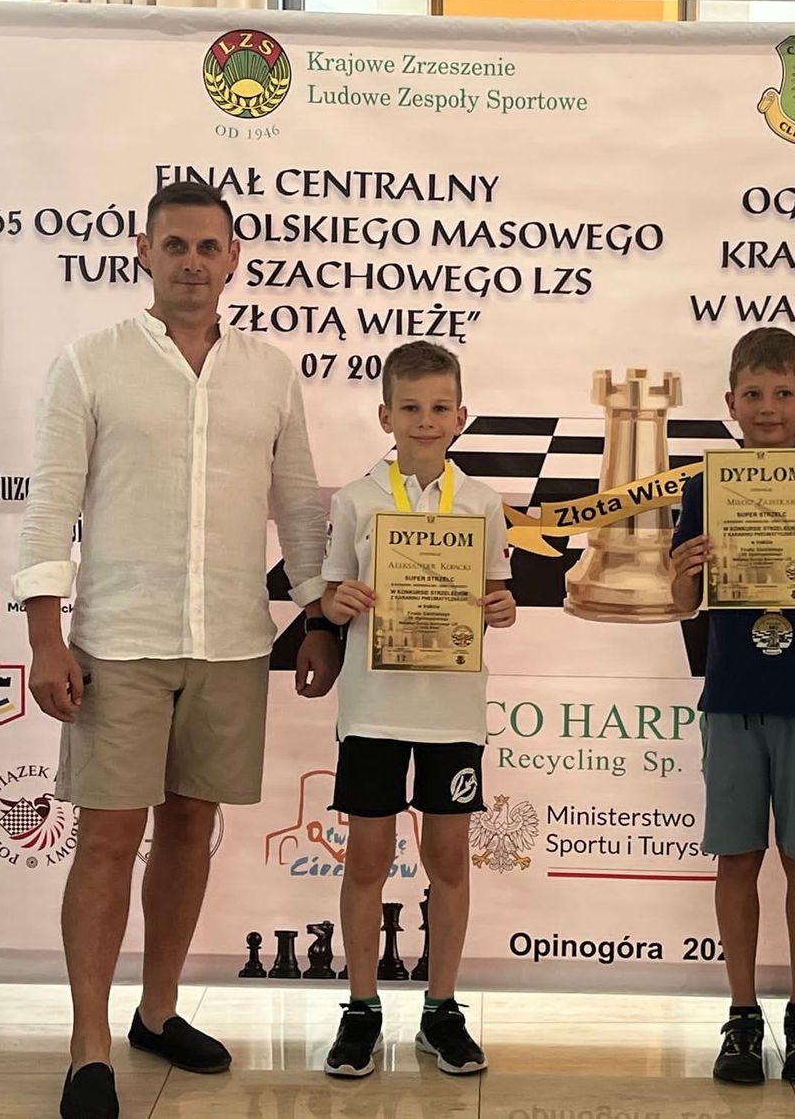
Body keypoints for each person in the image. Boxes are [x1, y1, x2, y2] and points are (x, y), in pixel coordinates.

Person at [16, 180, 340, 1119]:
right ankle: (88, 1047)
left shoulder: (271, 372)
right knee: (108, 838)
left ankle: (157, 1013)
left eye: (208, 247)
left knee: (192, 828)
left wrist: (316, 618)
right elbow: (50, 503)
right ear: (144, 254)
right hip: (118, 641)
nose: (192, 262)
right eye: (175, 246)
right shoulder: (90, 364)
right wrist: (45, 634)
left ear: (233, 258)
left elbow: (300, 506)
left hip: (233, 641)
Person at [670, 326, 795, 1085]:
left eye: (783, 393)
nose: (768, 407)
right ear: (730, 402)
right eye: (753, 394)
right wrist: (684, 569)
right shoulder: (704, 489)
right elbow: (684, 604)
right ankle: (743, 1014)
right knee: (738, 858)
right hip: (732, 697)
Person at [317, 340, 516, 1079]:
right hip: (373, 710)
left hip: (451, 714)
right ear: (385, 416)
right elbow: (330, 595)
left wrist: (501, 608)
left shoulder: (482, 503)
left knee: (448, 860)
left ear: (461, 417)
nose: (425, 421)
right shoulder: (356, 499)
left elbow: (497, 593)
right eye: (410, 408)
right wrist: (338, 603)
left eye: (439, 408)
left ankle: (441, 1009)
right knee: (368, 859)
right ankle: (361, 1008)